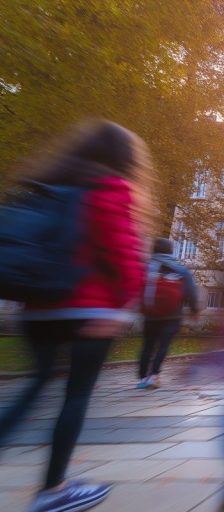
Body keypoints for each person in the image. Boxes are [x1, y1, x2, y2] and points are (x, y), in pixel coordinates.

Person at [0, 121, 148, 512]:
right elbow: (123, 254)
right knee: (76, 395)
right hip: (88, 309)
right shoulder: (110, 189)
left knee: (34, 388)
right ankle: (53, 490)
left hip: (38, 308)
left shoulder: (49, 183)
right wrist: (123, 305)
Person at [137, 238, 199, 389]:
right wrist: (194, 310)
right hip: (172, 314)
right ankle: (154, 376)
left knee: (147, 345)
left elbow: (137, 286)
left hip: (150, 314)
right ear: (171, 250)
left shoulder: (146, 267)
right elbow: (191, 291)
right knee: (163, 345)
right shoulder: (180, 269)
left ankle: (142, 378)